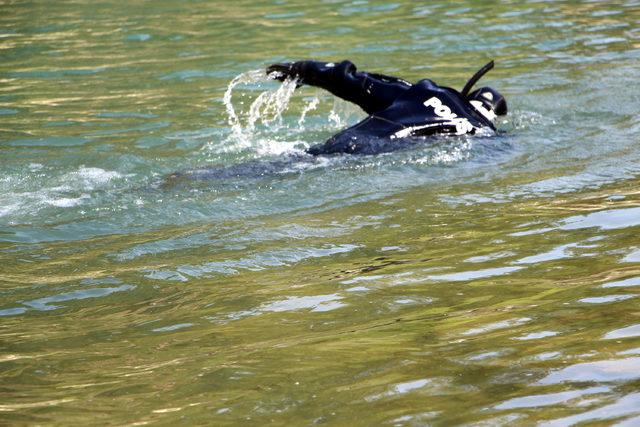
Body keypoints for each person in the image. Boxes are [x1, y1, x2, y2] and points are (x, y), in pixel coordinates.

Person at [266, 60, 507, 155]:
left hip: (352, 142)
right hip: (380, 158)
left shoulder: (429, 92)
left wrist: (305, 71)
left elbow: (358, 83)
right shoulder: (485, 134)